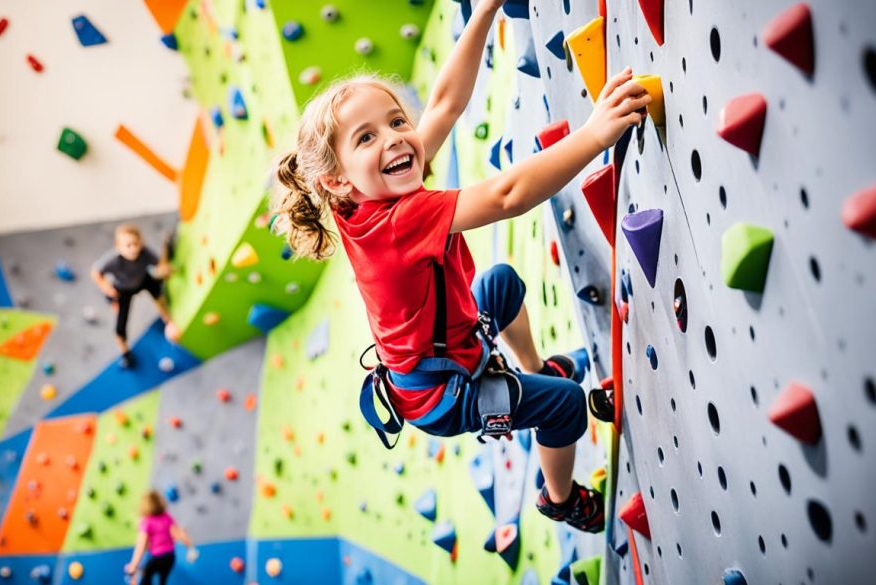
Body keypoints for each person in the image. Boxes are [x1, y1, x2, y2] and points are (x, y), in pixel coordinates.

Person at [275, 0, 649, 533]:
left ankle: (535, 371)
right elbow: (506, 195)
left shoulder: (360, 194)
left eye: (396, 121)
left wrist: (483, 13)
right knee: (566, 406)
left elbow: (446, 105)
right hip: (446, 393)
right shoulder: (400, 218)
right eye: (367, 137)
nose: (397, 139)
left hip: (453, 344)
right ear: (337, 179)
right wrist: (595, 135)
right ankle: (560, 497)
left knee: (498, 284)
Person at [91, 224, 180, 369]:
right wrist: (105, 287)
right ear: (118, 247)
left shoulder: (145, 253)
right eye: (128, 245)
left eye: (136, 244)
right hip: (123, 289)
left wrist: (166, 266)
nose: (133, 248)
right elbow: (95, 272)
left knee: (160, 297)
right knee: (120, 327)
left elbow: (159, 266)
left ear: (141, 243)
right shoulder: (113, 260)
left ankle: (168, 320)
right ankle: (126, 353)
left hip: (143, 280)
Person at [125, 490, 195, 585]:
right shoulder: (167, 517)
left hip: (156, 557)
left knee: (145, 580)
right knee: (162, 581)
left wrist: (134, 564)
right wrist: (191, 548)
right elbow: (179, 534)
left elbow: (141, 545)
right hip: (169, 557)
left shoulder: (147, 522)